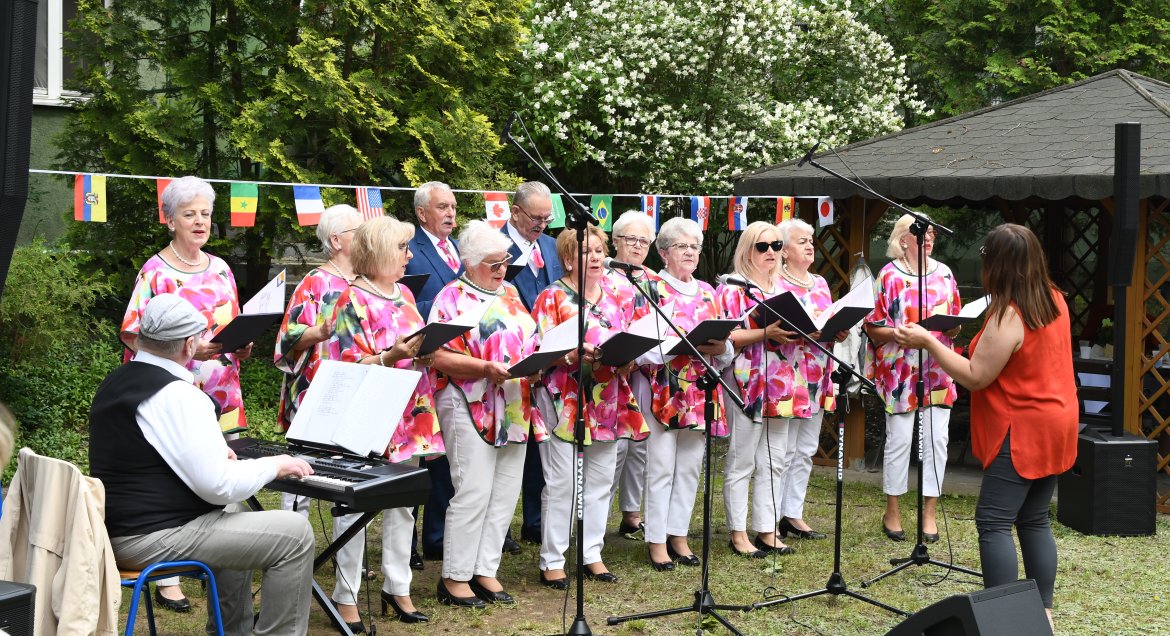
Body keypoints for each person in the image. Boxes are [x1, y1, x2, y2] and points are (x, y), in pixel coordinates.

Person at [91, 293, 315, 635]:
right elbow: (218, 487)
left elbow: (150, 454)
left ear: (144, 338)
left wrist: (213, 456)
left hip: (114, 531)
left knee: (235, 515)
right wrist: (276, 464)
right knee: (295, 534)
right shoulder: (179, 396)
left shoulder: (116, 382)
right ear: (188, 344)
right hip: (151, 537)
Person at [894, 223, 1077, 627]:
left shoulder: (1011, 314)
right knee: (1034, 518)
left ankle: (1005, 621)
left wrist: (929, 342)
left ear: (997, 263)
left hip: (1024, 428)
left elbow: (977, 375)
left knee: (993, 522)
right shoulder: (1054, 299)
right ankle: (1041, 613)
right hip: (1057, 420)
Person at [119, 175, 253, 610]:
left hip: (222, 390)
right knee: (172, 475)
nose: (199, 222)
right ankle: (168, 576)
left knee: (223, 473)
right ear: (170, 220)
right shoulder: (155, 270)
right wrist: (192, 349)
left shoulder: (222, 268)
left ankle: (220, 560)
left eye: (206, 214)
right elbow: (131, 333)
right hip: (171, 391)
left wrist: (242, 343)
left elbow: (230, 323)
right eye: (189, 214)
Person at [328, 216, 440, 627]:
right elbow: (343, 366)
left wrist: (425, 353)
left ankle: (399, 587)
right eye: (402, 249)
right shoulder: (350, 299)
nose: (410, 255)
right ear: (376, 253)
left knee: (404, 505)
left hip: (410, 411)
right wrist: (389, 357)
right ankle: (346, 596)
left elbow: (411, 345)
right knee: (353, 508)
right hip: (368, 412)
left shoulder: (406, 294)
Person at [430, 220, 549, 608]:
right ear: (470, 262)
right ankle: (454, 577)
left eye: (505, 261)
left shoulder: (511, 292)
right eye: (493, 264)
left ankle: (485, 569)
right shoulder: (451, 297)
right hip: (469, 399)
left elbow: (530, 338)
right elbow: (437, 355)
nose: (502, 270)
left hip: (515, 400)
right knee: (474, 490)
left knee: (504, 492)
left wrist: (540, 359)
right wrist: (484, 368)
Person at [531, 226, 647, 588]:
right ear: (568, 259)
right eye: (586, 252)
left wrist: (628, 359)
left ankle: (591, 554)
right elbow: (539, 353)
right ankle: (552, 559)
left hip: (608, 396)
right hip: (563, 395)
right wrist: (569, 354)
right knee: (562, 483)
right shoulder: (551, 297)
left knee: (600, 481)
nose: (595, 257)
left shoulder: (618, 293)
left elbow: (631, 336)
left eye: (599, 251)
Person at [642, 217, 733, 570]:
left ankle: (679, 534)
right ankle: (656, 539)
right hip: (663, 386)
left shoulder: (709, 291)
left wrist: (720, 348)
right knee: (662, 466)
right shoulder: (652, 288)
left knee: (691, 467)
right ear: (663, 253)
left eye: (694, 246)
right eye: (682, 246)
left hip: (701, 388)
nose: (690, 252)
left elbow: (726, 349)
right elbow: (642, 344)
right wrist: (679, 346)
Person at [864, 214, 961, 543]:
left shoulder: (945, 273)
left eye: (932, 232)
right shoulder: (888, 276)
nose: (929, 238)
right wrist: (899, 333)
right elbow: (872, 326)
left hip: (938, 367)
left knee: (937, 441)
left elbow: (957, 323)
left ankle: (929, 512)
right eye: (921, 233)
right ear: (903, 240)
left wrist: (951, 326)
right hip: (901, 368)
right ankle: (892, 509)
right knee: (900, 440)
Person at [717, 221, 799, 557]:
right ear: (747, 251)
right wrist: (766, 333)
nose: (771, 252)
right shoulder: (732, 288)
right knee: (742, 459)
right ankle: (738, 533)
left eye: (777, 246)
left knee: (775, 459)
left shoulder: (786, 288)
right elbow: (725, 337)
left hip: (781, 379)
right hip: (744, 377)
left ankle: (768, 528)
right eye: (762, 246)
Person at [273, 204, 360, 515]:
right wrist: (317, 332)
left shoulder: (368, 279)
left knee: (351, 473)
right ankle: (289, 541)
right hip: (315, 388)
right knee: (302, 473)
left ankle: (348, 559)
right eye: (357, 232)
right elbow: (287, 336)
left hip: (357, 386)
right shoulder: (315, 281)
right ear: (336, 241)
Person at [502, 181, 565, 544]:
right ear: (515, 212)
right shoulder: (494, 244)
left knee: (542, 444)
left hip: (551, 357)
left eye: (546, 217)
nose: (541, 224)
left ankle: (536, 521)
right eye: (535, 217)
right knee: (510, 446)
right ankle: (503, 527)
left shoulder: (552, 246)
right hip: (512, 358)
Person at [774, 218, 843, 542]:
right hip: (786, 376)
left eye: (811, 240)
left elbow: (825, 322)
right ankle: (770, 517)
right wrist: (803, 330)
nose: (809, 246)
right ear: (784, 250)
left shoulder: (819, 283)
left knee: (805, 449)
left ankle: (793, 513)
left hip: (817, 373)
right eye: (801, 241)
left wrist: (836, 330)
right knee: (783, 450)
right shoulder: (776, 281)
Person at [404, 181, 462, 567]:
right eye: (442, 207)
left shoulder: (459, 250)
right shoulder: (410, 250)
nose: (450, 213)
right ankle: (406, 544)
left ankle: (439, 537)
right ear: (422, 213)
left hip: (460, 365)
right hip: (421, 363)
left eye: (454, 206)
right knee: (416, 461)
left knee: (446, 460)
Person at [605, 210, 657, 538]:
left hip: (643, 371)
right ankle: (593, 518)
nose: (637, 246)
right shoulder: (603, 274)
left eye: (644, 241)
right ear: (615, 241)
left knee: (640, 444)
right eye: (631, 239)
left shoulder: (653, 280)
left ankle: (631, 512)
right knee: (614, 449)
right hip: (608, 373)